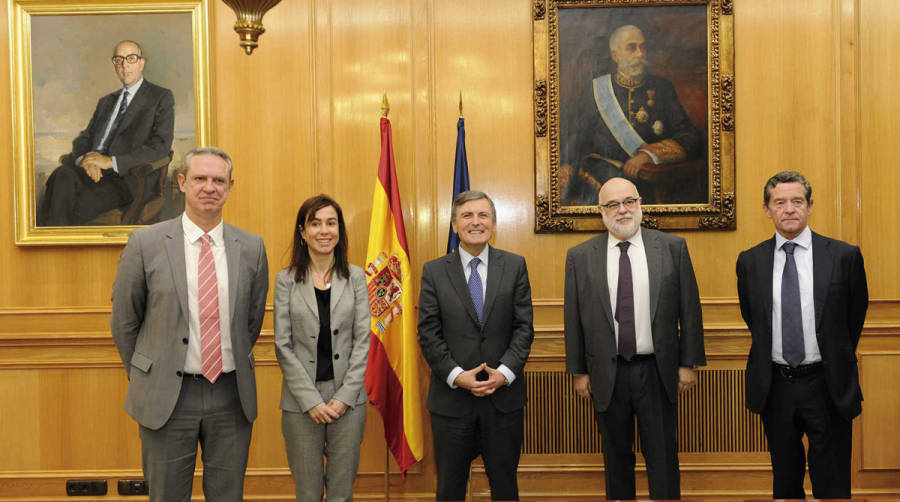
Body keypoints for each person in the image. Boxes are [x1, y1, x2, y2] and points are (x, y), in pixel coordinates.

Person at [110, 146, 268, 502]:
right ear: (182, 183)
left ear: (230, 187)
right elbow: (124, 320)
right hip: (166, 397)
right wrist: (146, 373)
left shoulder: (252, 248)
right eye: (200, 178)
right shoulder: (146, 243)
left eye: (218, 180)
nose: (209, 187)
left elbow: (251, 320)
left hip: (231, 395)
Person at [564, 177, 705, 499]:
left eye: (629, 201)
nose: (622, 210)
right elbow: (573, 318)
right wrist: (579, 371)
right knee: (616, 459)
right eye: (613, 204)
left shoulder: (671, 247)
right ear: (601, 211)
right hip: (606, 373)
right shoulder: (581, 256)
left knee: (663, 456)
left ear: (640, 204)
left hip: (658, 371)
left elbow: (690, 309)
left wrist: (688, 363)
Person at [736, 171, 868, 499]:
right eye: (779, 202)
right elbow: (754, 319)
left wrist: (832, 354)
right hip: (776, 384)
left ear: (810, 206)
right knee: (785, 476)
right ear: (767, 210)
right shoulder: (749, 261)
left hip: (828, 382)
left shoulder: (844, 256)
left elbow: (854, 316)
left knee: (833, 479)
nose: (789, 209)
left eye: (797, 201)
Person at [418, 190, 535, 500]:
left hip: (504, 401)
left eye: (483, 215)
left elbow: (524, 328)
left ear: (493, 223)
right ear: (454, 225)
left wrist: (505, 373)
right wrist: (458, 375)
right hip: (452, 402)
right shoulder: (434, 271)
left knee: (506, 489)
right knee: (450, 490)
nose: (476, 222)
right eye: (467, 216)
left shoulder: (515, 266)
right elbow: (428, 333)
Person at [273, 195, 370, 502]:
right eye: (315, 224)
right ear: (302, 231)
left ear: (340, 230)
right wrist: (311, 400)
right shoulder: (286, 280)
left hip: (348, 401)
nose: (324, 231)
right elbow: (282, 345)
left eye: (331, 223)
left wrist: (344, 397)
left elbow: (362, 340)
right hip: (302, 403)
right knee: (308, 494)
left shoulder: (355, 277)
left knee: (342, 494)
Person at [38, 40, 174, 226]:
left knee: (69, 206)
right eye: (118, 60)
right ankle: (53, 247)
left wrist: (110, 162)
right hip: (91, 171)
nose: (124, 65)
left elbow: (160, 147)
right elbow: (84, 138)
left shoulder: (160, 97)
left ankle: (55, 248)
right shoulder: (106, 102)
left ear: (142, 63)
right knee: (61, 176)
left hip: (128, 177)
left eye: (131, 58)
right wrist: (85, 161)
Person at [563, 24, 703, 205]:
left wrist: (648, 155)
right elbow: (574, 139)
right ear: (615, 55)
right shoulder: (595, 90)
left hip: (652, 179)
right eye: (632, 48)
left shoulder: (662, 88)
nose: (640, 54)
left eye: (642, 47)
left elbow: (690, 136)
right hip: (604, 178)